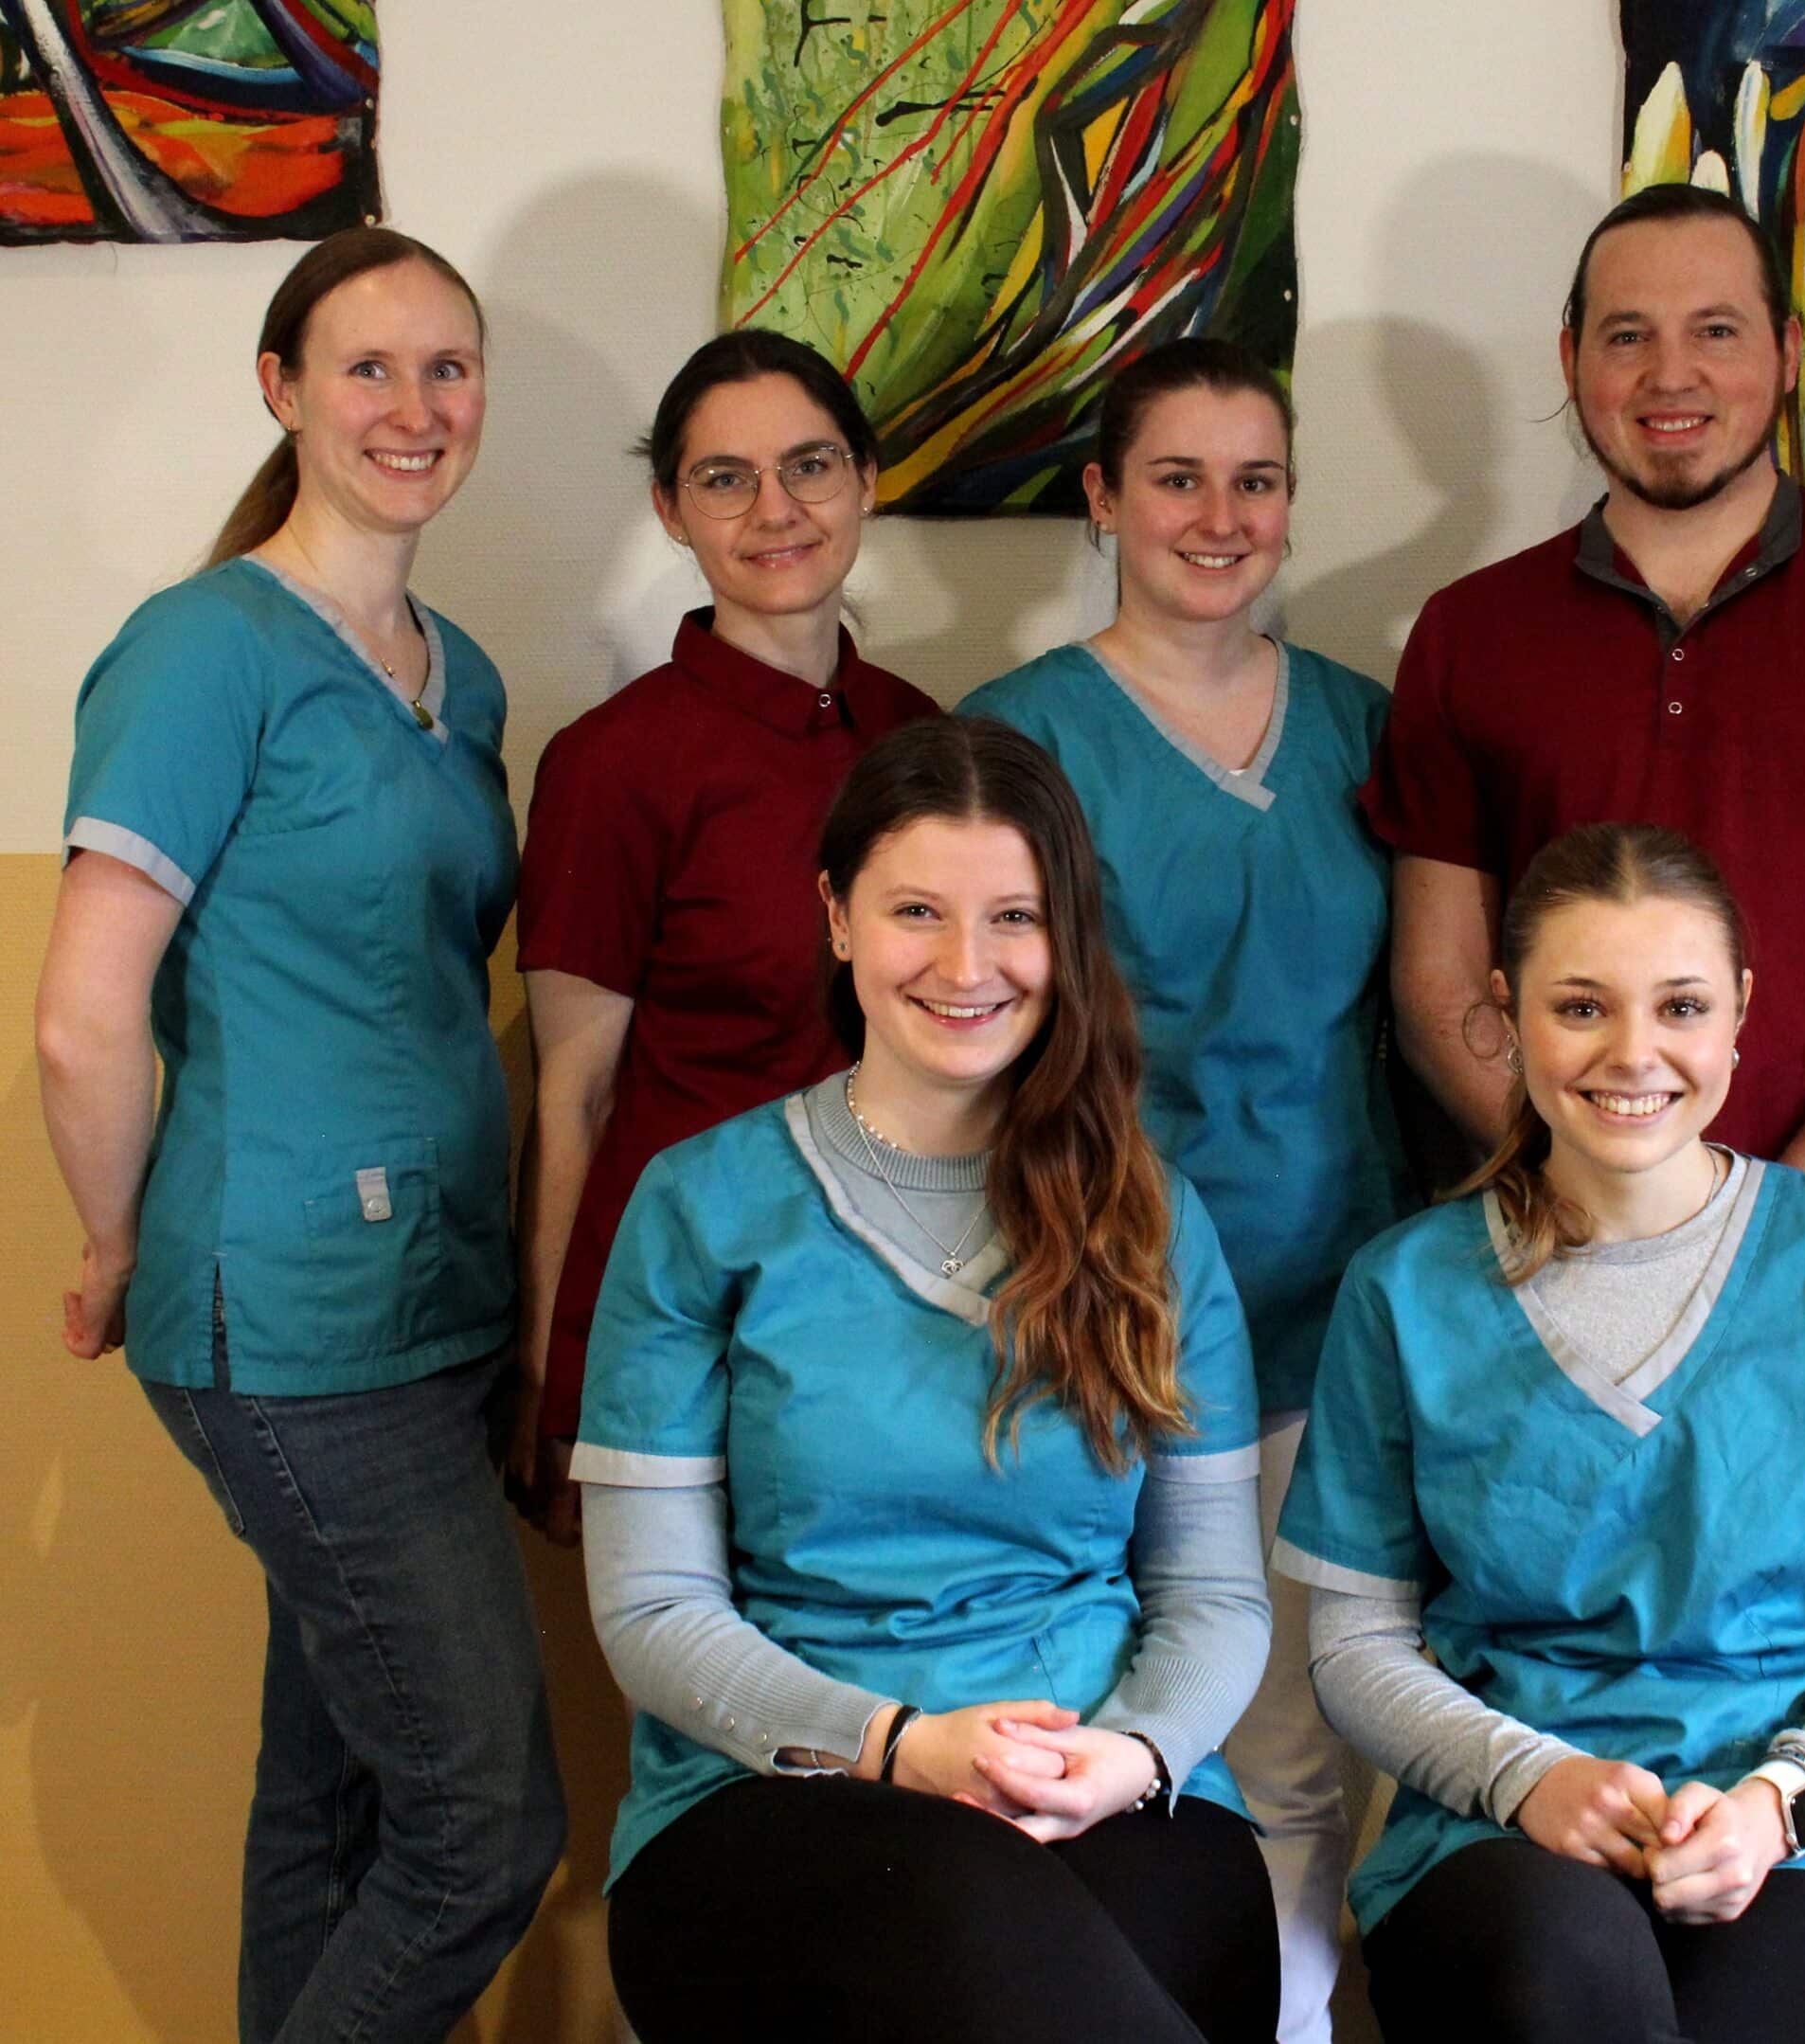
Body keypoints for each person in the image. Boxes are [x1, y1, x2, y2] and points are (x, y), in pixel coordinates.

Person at [35, 227, 564, 2043]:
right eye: (367, 366)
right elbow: (82, 1014)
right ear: (281, 387)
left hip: (434, 1304)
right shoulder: (204, 651)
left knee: (334, 1793)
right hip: (287, 1316)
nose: (414, 406)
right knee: (486, 1823)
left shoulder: (455, 673)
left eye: (448, 367)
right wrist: (118, 1241)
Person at [573, 717, 1279, 2042]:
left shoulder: (1152, 1216)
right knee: (974, 1920)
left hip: (1098, 1774)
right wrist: (900, 1744)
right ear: (838, 918)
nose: (967, 966)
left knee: (1182, 1947)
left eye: (1015, 917)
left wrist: (1128, 1754)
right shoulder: (701, 1204)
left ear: (1067, 937)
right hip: (776, 1793)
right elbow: (653, 1608)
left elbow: (1214, 1594)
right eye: (916, 912)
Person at [1277, 822, 1805, 2044]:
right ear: (1506, 1012)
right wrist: (1530, 1779)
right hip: (1501, 1846)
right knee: (1560, 1972)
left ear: (1739, 1012)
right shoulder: (1404, 1288)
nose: (1634, 1053)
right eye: (1581, 1006)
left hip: (1803, 1846)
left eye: (1680, 1006)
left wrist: (1777, 1805)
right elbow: (1357, 1644)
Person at [1367, 181, 1805, 1285]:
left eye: (1716, 331)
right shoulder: (1470, 632)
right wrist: (1603, 1194)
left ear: (1787, 354)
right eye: (1627, 336)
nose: (1671, 375)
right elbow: (1439, 985)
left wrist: (1768, 1225)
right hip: (1573, 1261)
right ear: (1572, 360)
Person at [960, 335, 1411, 2039]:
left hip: (1328, 1313)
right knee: (1087, 1735)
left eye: (1256, 480)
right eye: (1176, 478)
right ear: (1101, 498)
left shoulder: (1367, 728)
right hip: (1090, 1309)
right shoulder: (1017, 742)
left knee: (1293, 1748)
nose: (1220, 518)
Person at [508, 329, 940, 1540]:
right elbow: (575, 1096)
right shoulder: (611, 764)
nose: (775, 509)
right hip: (692, 1328)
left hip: (903, 1321)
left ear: (866, 479)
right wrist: (550, 1377)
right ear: (669, 510)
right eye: (723, 478)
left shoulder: (922, 739)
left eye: (810, 465)